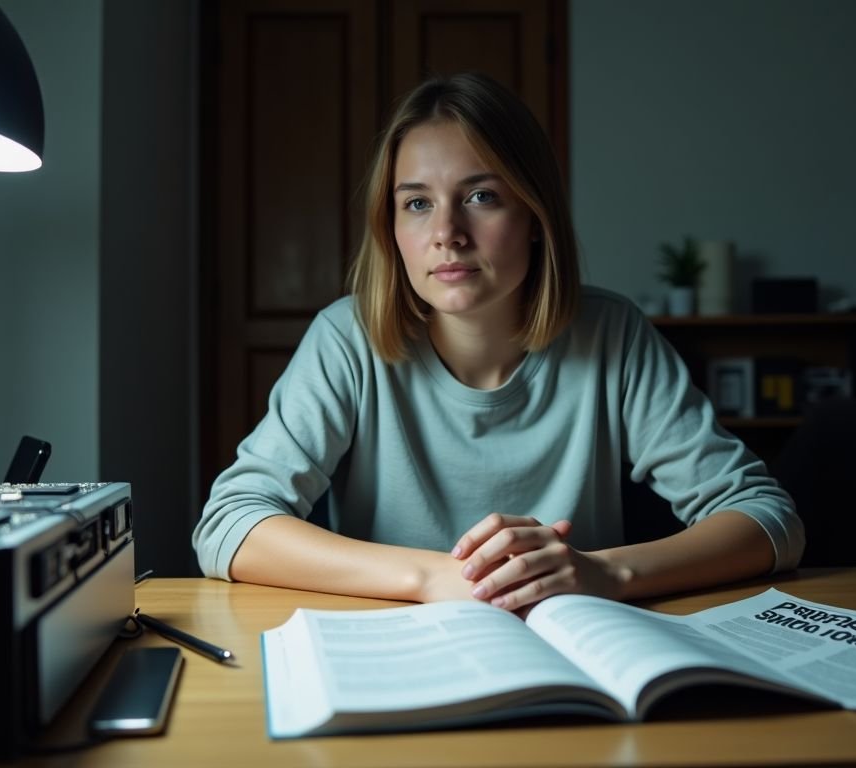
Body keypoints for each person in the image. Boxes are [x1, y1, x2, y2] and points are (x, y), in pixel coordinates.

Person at [194, 72, 803, 611]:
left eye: (481, 197)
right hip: (394, 646)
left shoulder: (611, 333)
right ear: (392, 229)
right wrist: (434, 578)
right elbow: (230, 525)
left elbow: (767, 520)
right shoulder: (345, 338)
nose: (447, 234)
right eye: (416, 204)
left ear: (536, 218)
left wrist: (606, 572)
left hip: (575, 644)